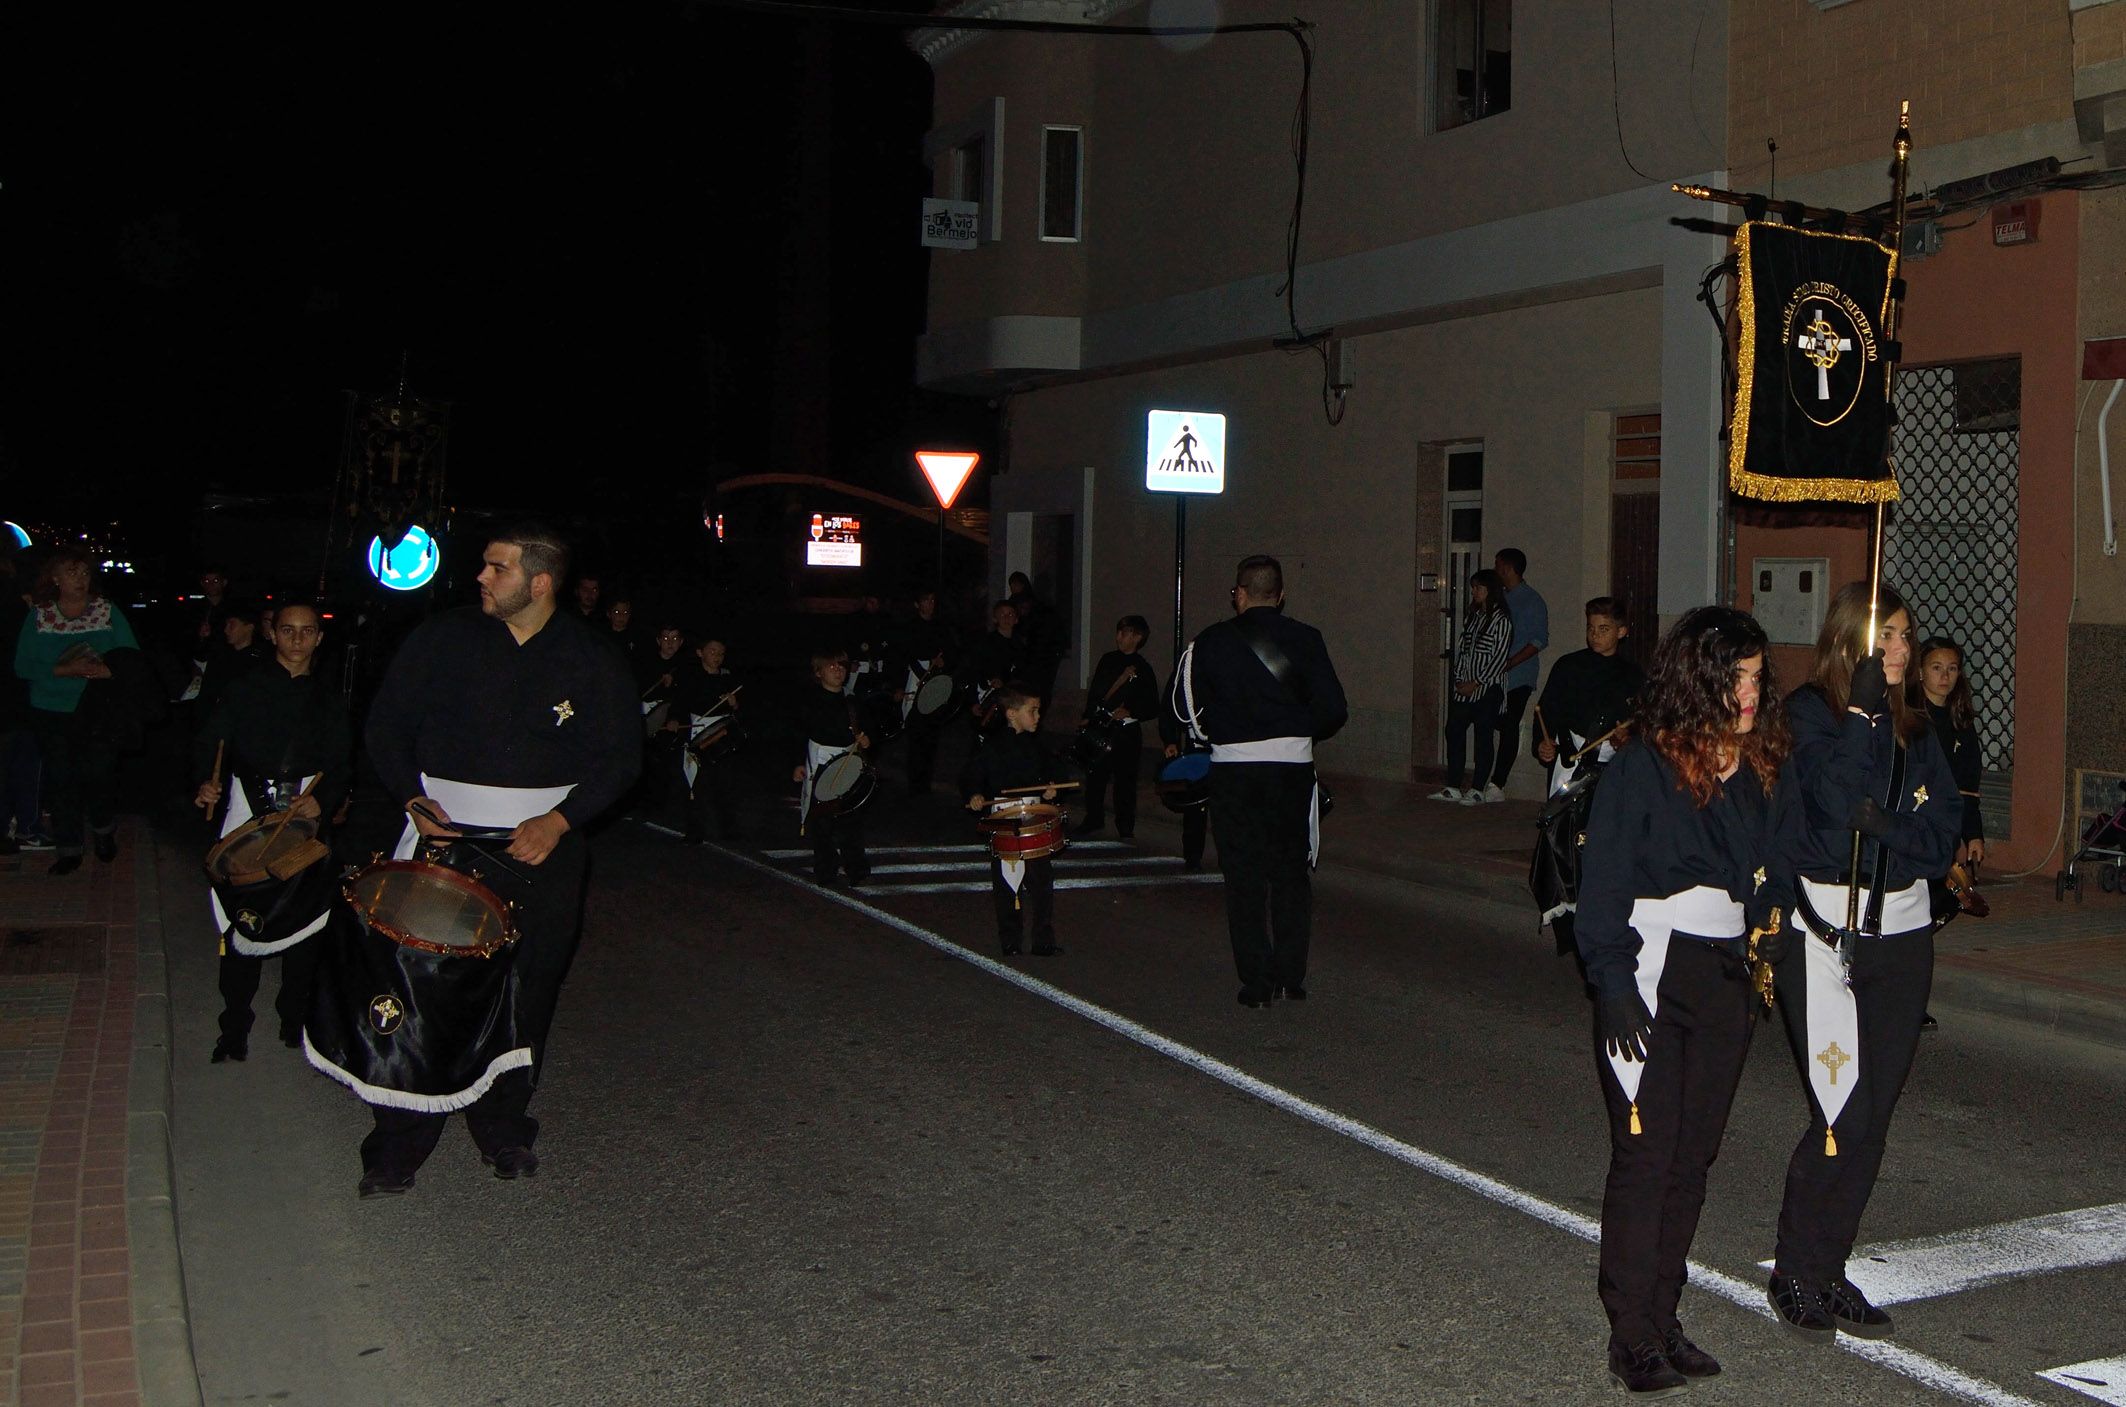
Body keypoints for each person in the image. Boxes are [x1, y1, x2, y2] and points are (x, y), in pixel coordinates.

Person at [354, 523, 640, 1196]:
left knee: (527, 989)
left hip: (541, 847)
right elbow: (384, 725)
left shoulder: (591, 657)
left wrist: (561, 819)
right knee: (420, 988)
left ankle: (503, 1125)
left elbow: (623, 757)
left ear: (539, 583)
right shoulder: (441, 640)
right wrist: (411, 799)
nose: (480, 577)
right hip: (442, 840)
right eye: (484, 566)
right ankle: (398, 1141)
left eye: (496, 568)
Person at [1575, 607, 1789, 1396]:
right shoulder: (1642, 763)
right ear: (1697, 678)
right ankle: (1629, 1332)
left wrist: (1770, 928)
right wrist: (1613, 979)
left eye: (1758, 678)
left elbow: (1764, 865)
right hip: (1652, 964)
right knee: (1646, 1155)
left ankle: (1663, 1314)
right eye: (1735, 677)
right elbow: (1605, 879)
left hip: (1722, 971)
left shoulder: (1755, 761)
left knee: (1693, 1158)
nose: (1748, 692)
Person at [1766, 582, 1958, 1342]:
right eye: (1891, 637)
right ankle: (1793, 1268)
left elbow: (1939, 838)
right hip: (1822, 935)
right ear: (1853, 642)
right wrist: (1858, 719)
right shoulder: (1811, 715)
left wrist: (1892, 826)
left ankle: (1829, 1265)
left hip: (1904, 938)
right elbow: (1834, 802)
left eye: (1908, 637)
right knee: (1840, 1109)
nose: (1904, 652)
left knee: (1873, 1118)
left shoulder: (1919, 730)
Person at [1168, 555, 1347, 1008]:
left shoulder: (1209, 643)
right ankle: (1291, 978)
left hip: (1235, 771)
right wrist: (1296, 729)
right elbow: (1334, 711)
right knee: (1290, 874)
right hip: (1291, 772)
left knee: (1244, 877)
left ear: (1239, 595)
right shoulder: (1307, 638)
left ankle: (1257, 982)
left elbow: (1179, 709)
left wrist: (1219, 734)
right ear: (1281, 595)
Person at [192, 602, 351, 1061]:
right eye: (288, 630)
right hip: (248, 807)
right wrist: (205, 780)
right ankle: (234, 1028)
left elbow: (342, 761)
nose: (298, 639)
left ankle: (293, 1019)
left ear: (318, 639)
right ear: (273, 635)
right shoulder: (243, 689)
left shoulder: (329, 699)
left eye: (307, 631)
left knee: (304, 925)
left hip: (305, 813)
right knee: (239, 926)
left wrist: (324, 798)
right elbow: (210, 742)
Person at [14, 547, 140, 875]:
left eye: (84, 573)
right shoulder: (40, 615)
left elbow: (131, 657)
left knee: (97, 773)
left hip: (98, 709)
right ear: (55, 578)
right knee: (61, 779)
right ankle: (68, 848)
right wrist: (62, 670)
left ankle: (102, 830)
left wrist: (107, 671)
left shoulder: (106, 611)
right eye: (72, 573)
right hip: (52, 709)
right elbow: (23, 664)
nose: (80, 579)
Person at [961, 686, 1064, 956]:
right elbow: (973, 774)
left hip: (1032, 816)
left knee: (1042, 881)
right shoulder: (993, 746)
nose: (1038, 716)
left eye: (1038, 710)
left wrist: (1050, 788)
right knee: (1008, 882)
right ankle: (1010, 938)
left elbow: (1050, 773)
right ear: (1012, 714)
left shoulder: (1036, 746)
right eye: (1032, 711)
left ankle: (1043, 938)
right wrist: (975, 794)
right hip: (1004, 819)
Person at [1429, 570, 1512, 804]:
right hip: (1465, 687)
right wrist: (1458, 679)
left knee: (1483, 736)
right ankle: (1453, 785)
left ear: (1490, 590)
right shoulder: (1473, 617)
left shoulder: (1502, 620)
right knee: (1453, 730)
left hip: (1487, 688)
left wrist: (1477, 682)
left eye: (1478, 588)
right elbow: (1462, 650)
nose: (1474, 592)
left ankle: (1477, 788)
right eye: (1473, 587)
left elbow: (1499, 658)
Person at [1077, 615, 1159, 839]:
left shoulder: (1143, 668)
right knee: (1095, 774)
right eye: (1119, 632)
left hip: (1126, 731)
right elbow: (1096, 692)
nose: (1119, 637)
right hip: (1101, 725)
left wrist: (1132, 711)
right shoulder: (1108, 660)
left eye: (1125, 633)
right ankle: (1093, 817)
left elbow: (1153, 704)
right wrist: (1088, 716)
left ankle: (1125, 824)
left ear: (1137, 637)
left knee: (1125, 779)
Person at [793, 649, 870, 885]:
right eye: (832, 666)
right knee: (822, 822)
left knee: (850, 819)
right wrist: (797, 763)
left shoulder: (852, 701)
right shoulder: (810, 700)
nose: (838, 670)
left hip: (848, 763)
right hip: (820, 761)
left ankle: (856, 869)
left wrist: (866, 741)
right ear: (819, 672)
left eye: (841, 666)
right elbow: (799, 733)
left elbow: (863, 730)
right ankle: (826, 870)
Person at [1484, 547, 1549, 801]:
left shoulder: (1532, 600)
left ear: (1508, 568)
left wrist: (1511, 662)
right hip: (1493, 674)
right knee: (1489, 722)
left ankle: (1498, 783)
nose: (1495, 569)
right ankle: (1482, 779)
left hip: (1519, 675)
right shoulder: (1500, 597)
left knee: (1509, 724)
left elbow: (1538, 640)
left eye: (1498, 564)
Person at [674, 635, 744, 843]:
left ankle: (728, 830)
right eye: (712, 651)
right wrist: (675, 720)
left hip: (722, 733)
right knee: (696, 784)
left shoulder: (728, 678)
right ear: (700, 652)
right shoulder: (690, 677)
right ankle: (695, 831)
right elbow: (680, 703)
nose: (717, 657)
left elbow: (741, 709)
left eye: (721, 653)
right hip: (698, 731)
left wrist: (734, 704)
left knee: (724, 783)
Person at [0, 541, 42, 852]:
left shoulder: (20, 598)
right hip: (15, 694)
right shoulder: (15, 598)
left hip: (15, 692)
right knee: (21, 762)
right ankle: (23, 826)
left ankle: (17, 826)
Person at [896, 589, 958, 794]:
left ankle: (926, 780)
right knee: (916, 734)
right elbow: (907, 655)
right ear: (917, 604)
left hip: (936, 679)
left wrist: (942, 663)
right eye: (926, 600)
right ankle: (914, 781)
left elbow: (950, 651)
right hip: (917, 678)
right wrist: (923, 673)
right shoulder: (910, 627)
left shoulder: (941, 627)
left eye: (933, 600)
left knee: (932, 733)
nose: (930, 604)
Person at [196, 599, 269, 721]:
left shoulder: (262, 660)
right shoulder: (219, 655)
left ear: (249, 627)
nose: (226, 630)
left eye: (232, 624)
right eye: (226, 625)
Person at [964, 600, 1028, 735]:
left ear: (1016, 619)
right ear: (995, 618)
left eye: (1010, 614)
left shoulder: (1020, 645)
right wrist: (973, 702)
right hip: (988, 697)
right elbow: (975, 672)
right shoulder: (986, 643)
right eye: (1002, 614)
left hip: (1012, 701)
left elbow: (1022, 673)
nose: (1006, 618)